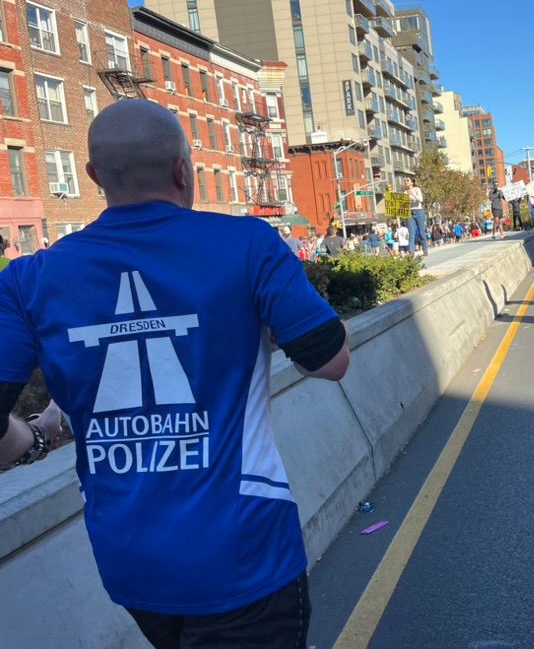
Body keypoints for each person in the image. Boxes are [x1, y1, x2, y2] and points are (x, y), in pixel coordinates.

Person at [0, 100, 351, 648]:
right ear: (183, 170)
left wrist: (37, 435)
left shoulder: (29, 277)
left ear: (94, 176)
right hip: (244, 554)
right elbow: (330, 361)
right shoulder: (247, 244)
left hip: (132, 562)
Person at [403, 177, 429, 257]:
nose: (406, 182)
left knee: (421, 232)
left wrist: (412, 194)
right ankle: (411, 251)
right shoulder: (404, 192)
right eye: (405, 181)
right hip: (410, 212)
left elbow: (421, 199)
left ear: (412, 182)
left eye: (407, 180)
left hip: (418, 211)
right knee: (411, 232)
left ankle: (425, 249)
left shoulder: (417, 189)